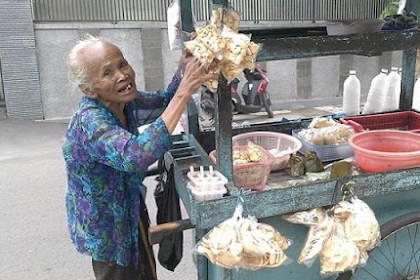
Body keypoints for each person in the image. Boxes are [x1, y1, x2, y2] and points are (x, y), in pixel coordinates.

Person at [62, 34, 217, 280]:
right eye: (107, 73)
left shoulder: (125, 103)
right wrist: (185, 90)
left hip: (131, 210)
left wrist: (182, 70)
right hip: (108, 229)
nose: (122, 75)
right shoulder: (89, 122)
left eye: (122, 64)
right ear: (88, 89)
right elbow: (136, 154)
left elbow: (164, 102)